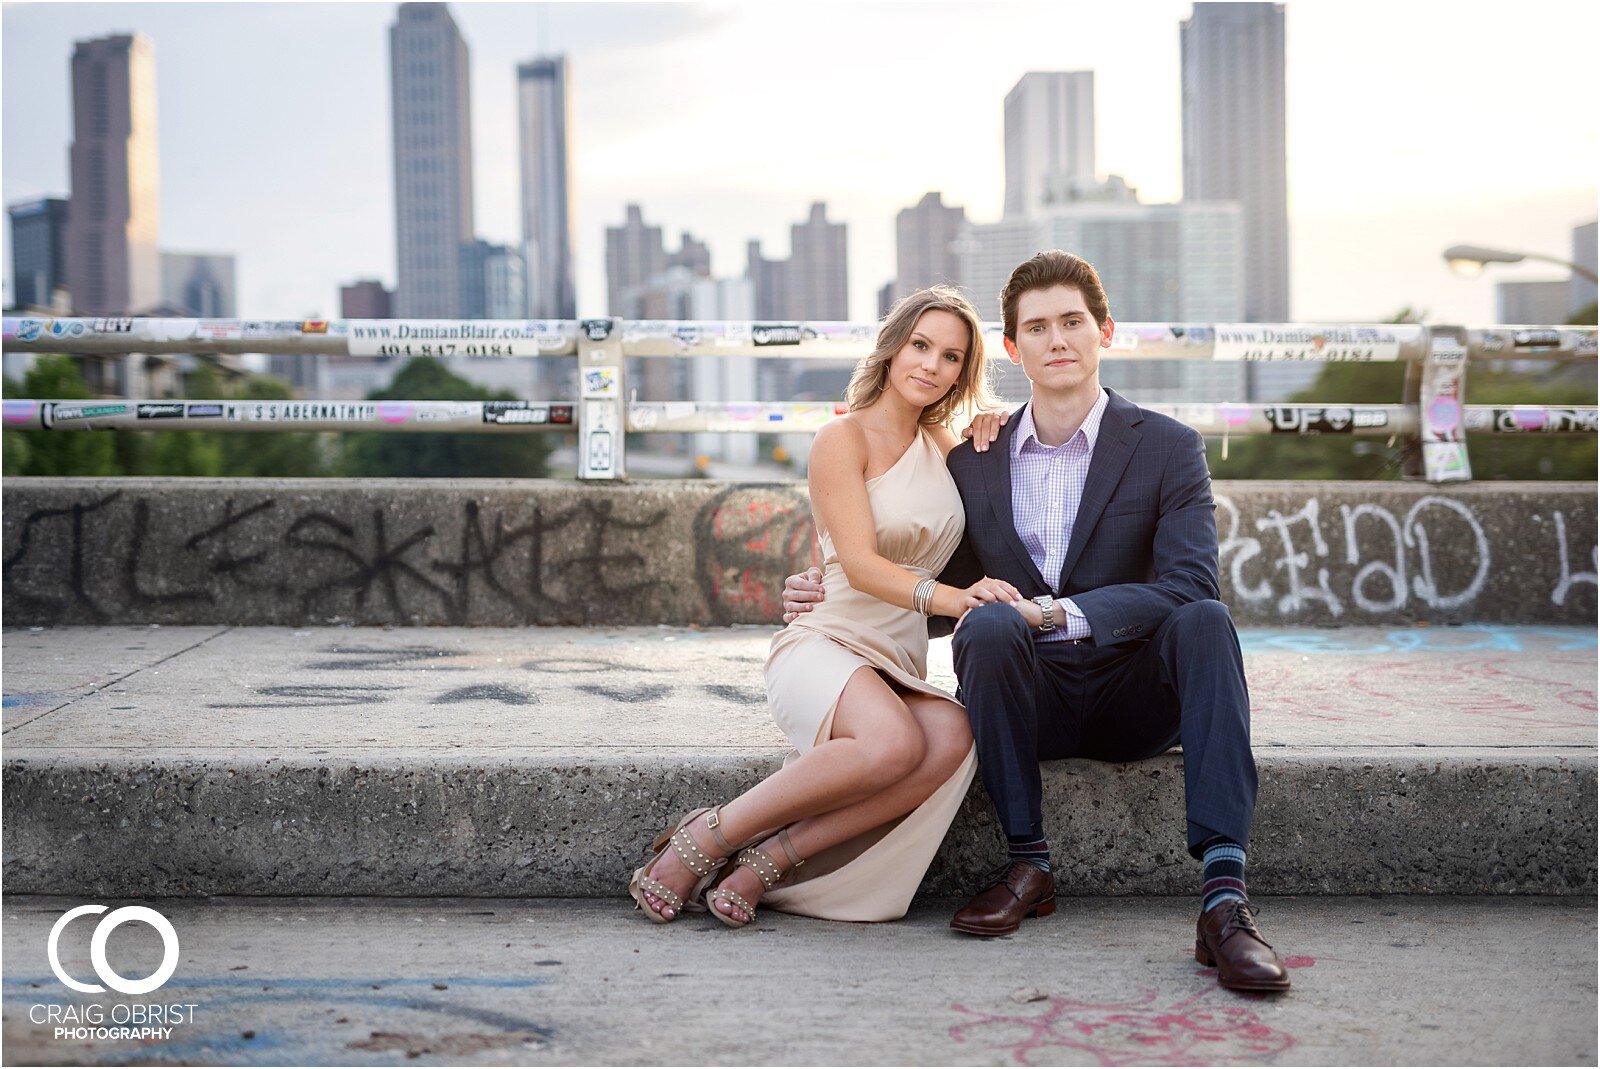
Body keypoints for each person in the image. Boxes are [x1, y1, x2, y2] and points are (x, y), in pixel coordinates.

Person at [784, 251, 1290, 992]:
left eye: (1073, 322)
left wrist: (1055, 611)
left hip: (1132, 696)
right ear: (1014, 349)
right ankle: (1029, 863)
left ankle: (1224, 900)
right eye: (1037, 327)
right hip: (1029, 701)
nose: (1058, 339)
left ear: (1104, 330)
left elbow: (1187, 584)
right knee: (987, 627)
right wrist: (824, 583)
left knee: (1207, 620)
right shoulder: (975, 461)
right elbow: (928, 576)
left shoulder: (1169, 447)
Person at [629, 285, 1020, 928]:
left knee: (954, 735)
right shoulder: (842, 437)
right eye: (920, 345)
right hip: (828, 639)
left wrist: (997, 428)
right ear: (892, 348)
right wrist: (958, 600)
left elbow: (1010, 512)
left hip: (896, 650)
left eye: (951, 357)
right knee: (892, 743)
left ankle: (772, 859)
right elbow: (860, 565)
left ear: (962, 372)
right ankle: (707, 837)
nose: (931, 365)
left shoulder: (951, 451)